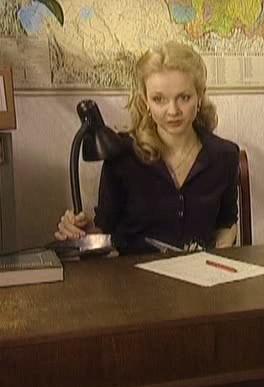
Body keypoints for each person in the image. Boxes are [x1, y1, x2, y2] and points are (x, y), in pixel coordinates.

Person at [54, 41, 239, 253]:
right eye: (159, 99)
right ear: (146, 102)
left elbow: (227, 223)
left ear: (199, 97)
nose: (173, 111)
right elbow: (105, 228)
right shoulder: (122, 156)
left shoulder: (225, 156)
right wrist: (80, 231)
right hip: (133, 272)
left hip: (201, 271)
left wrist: (219, 250)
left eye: (184, 98)